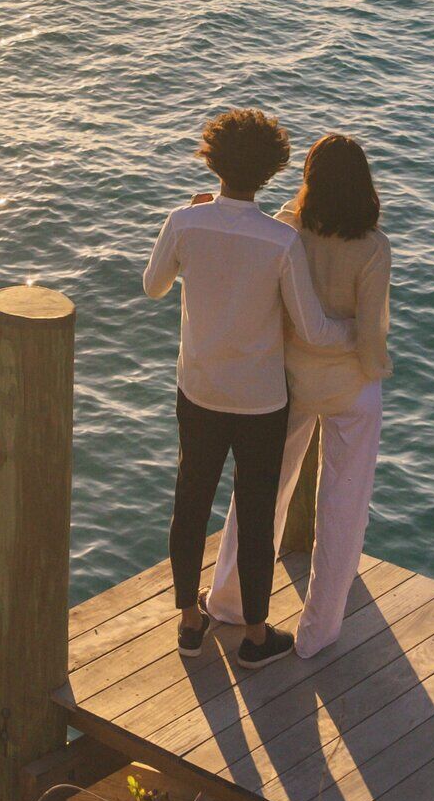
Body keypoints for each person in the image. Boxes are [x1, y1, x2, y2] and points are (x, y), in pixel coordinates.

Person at [143, 107, 348, 661]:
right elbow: (311, 328)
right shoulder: (281, 241)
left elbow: (154, 286)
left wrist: (191, 228)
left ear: (212, 160)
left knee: (190, 501)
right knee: (257, 515)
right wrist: (360, 329)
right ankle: (256, 636)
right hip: (260, 400)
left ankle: (190, 620)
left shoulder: (186, 222)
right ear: (271, 172)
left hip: (200, 389)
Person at [202, 132, 390, 658]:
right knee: (342, 505)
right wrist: (372, 361)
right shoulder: (374, 247)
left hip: (288, 380)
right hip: (351, 386)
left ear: (309, 179)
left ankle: (229, 601)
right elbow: (371, 337)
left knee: (261, 493)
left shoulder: (288, 227)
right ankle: (317, 633)